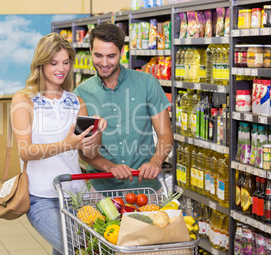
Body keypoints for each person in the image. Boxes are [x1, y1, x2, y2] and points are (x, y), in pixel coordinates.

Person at [11, 33, 107, 255]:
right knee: (78, 249)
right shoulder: (24, 100)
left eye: (65, 62)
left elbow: (89, 153)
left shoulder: (76, 102)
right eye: (54, 63)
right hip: (41, 198)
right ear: (41, 64)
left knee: (70, 249)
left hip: (76, 195)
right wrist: (66, 143)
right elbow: (25, 151)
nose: (60, 69)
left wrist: (97, 133)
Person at [74, 23, 173, 193]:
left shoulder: (147, 83)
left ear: (122, 52)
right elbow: (83, 151)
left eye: (111, 56)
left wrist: (156, 161)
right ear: (90, 50)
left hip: (146, 188)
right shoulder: (80, 94)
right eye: (98, 55)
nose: (104, 63)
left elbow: (165, 134)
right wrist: (109, 166)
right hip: (102, 190)